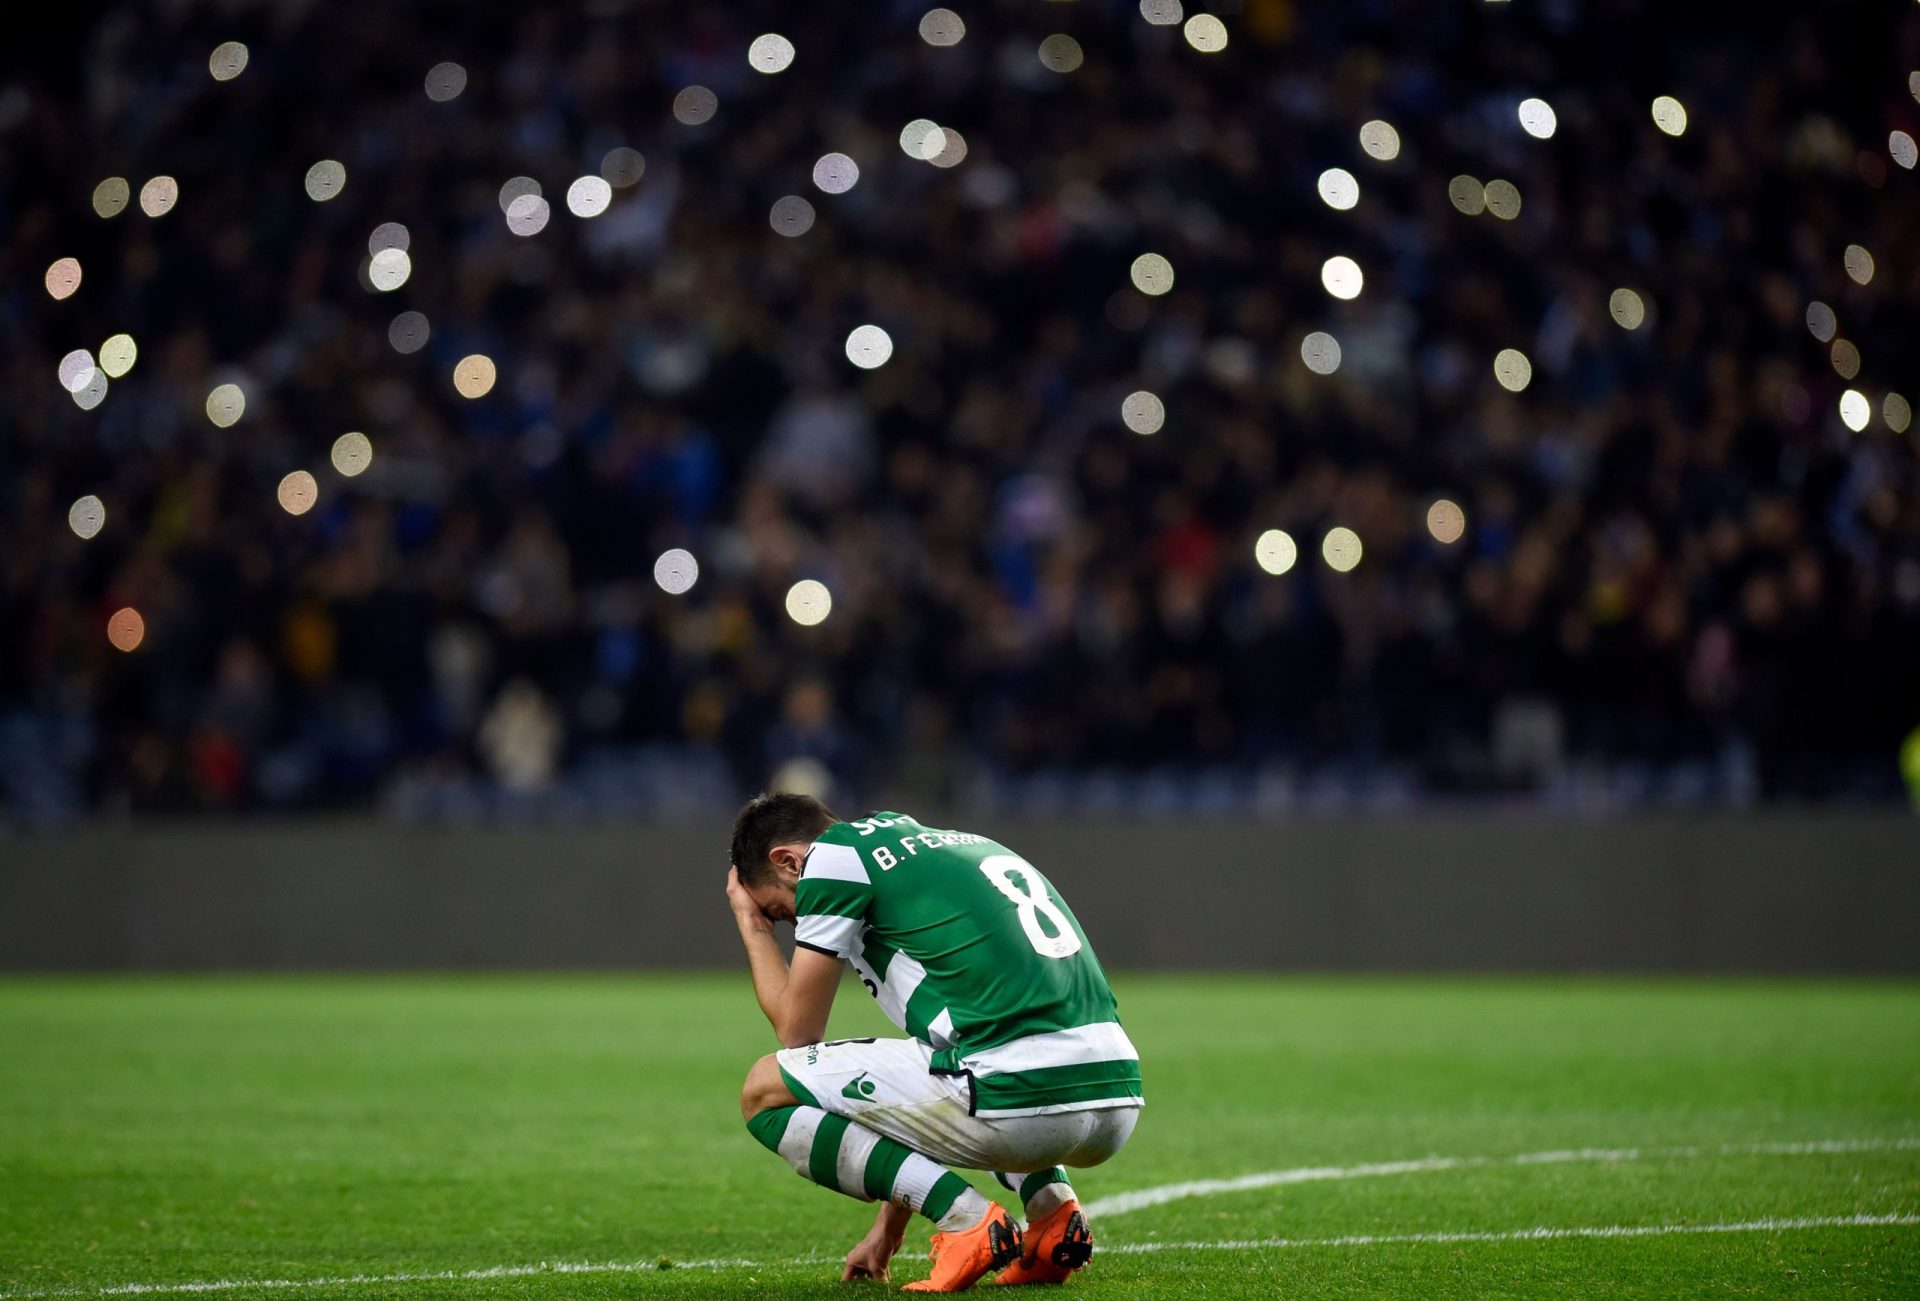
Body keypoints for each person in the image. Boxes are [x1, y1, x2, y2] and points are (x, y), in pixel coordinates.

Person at [725, 793, 1144, 1291]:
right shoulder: (952, 846)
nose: (796, 922)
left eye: (783, 910)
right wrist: (886, 1232)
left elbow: (798, 1032)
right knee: (957, 1069)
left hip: (1017, 1096)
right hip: (1116, 1096)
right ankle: (1052, 1218)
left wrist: (752, 925)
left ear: (788, 862)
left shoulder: (832, 858)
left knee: (764, 1089)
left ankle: (968, 1223)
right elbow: (921, 1096)